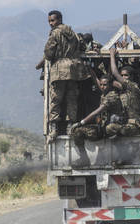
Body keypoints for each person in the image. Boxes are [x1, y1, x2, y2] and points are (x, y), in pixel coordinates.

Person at [41, 10, 90, 143]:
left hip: (59, 69)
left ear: (59, 19)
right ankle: (70, 127)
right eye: (50, 21)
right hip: (74, 70)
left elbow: (49, 53)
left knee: (55, 100)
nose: (51, 24)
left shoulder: (55, 33)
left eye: (53, 20)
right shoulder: (73, 33)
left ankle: (54, 129)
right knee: (71, 99)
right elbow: (82, 47)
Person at [70, 74, 124, 148]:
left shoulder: (112, 96)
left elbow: (97, 112)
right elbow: (96, 80)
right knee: (77, 132)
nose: (102, 87)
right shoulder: (104, 94)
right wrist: (91, 71)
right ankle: (84, 158)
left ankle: (119, 156)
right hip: (102, 128)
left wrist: (81, 122)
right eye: (101, 85)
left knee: (79, 127)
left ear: (111, 85)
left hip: (111, 129)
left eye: (105, 85)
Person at [109, 48, 140, 136]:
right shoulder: (121, 91)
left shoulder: (133, 87)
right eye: (122, 75)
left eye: (126, 75)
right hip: (123, 123)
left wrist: (112, 55)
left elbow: (114, 73)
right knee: (109, 128)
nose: (123, 78)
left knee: (121, 130)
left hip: (135, 126)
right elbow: (110, 76)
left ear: (132, 77)